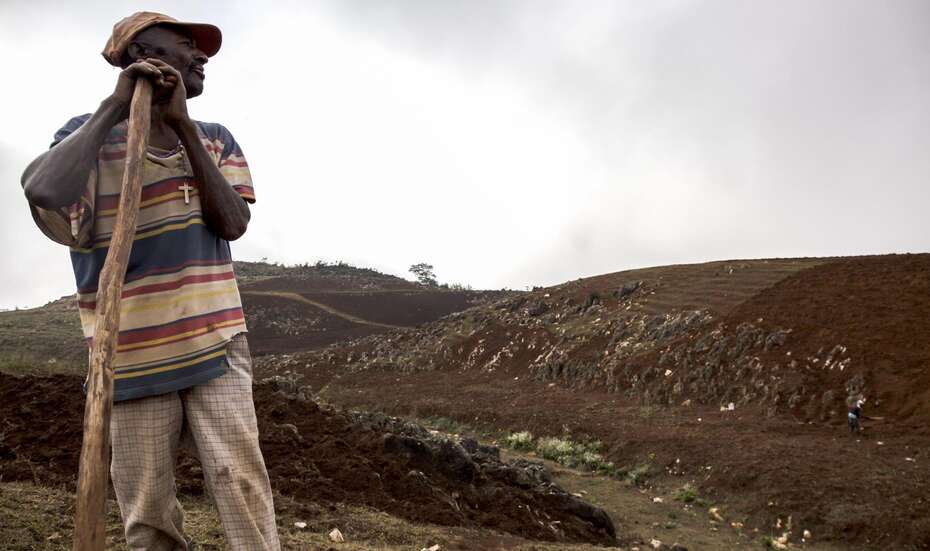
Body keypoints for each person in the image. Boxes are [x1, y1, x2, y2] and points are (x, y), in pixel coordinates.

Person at [20, 12, 280, 550]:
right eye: (186, 45)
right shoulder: (85, 136)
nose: (202, 57)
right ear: (143, 50)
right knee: (148, 511)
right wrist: (117, 105)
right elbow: (44, 189)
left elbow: (233, 223)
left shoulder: (213, 139)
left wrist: (183, 125)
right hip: (130, 355)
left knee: (241, 488)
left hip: (217, 343)